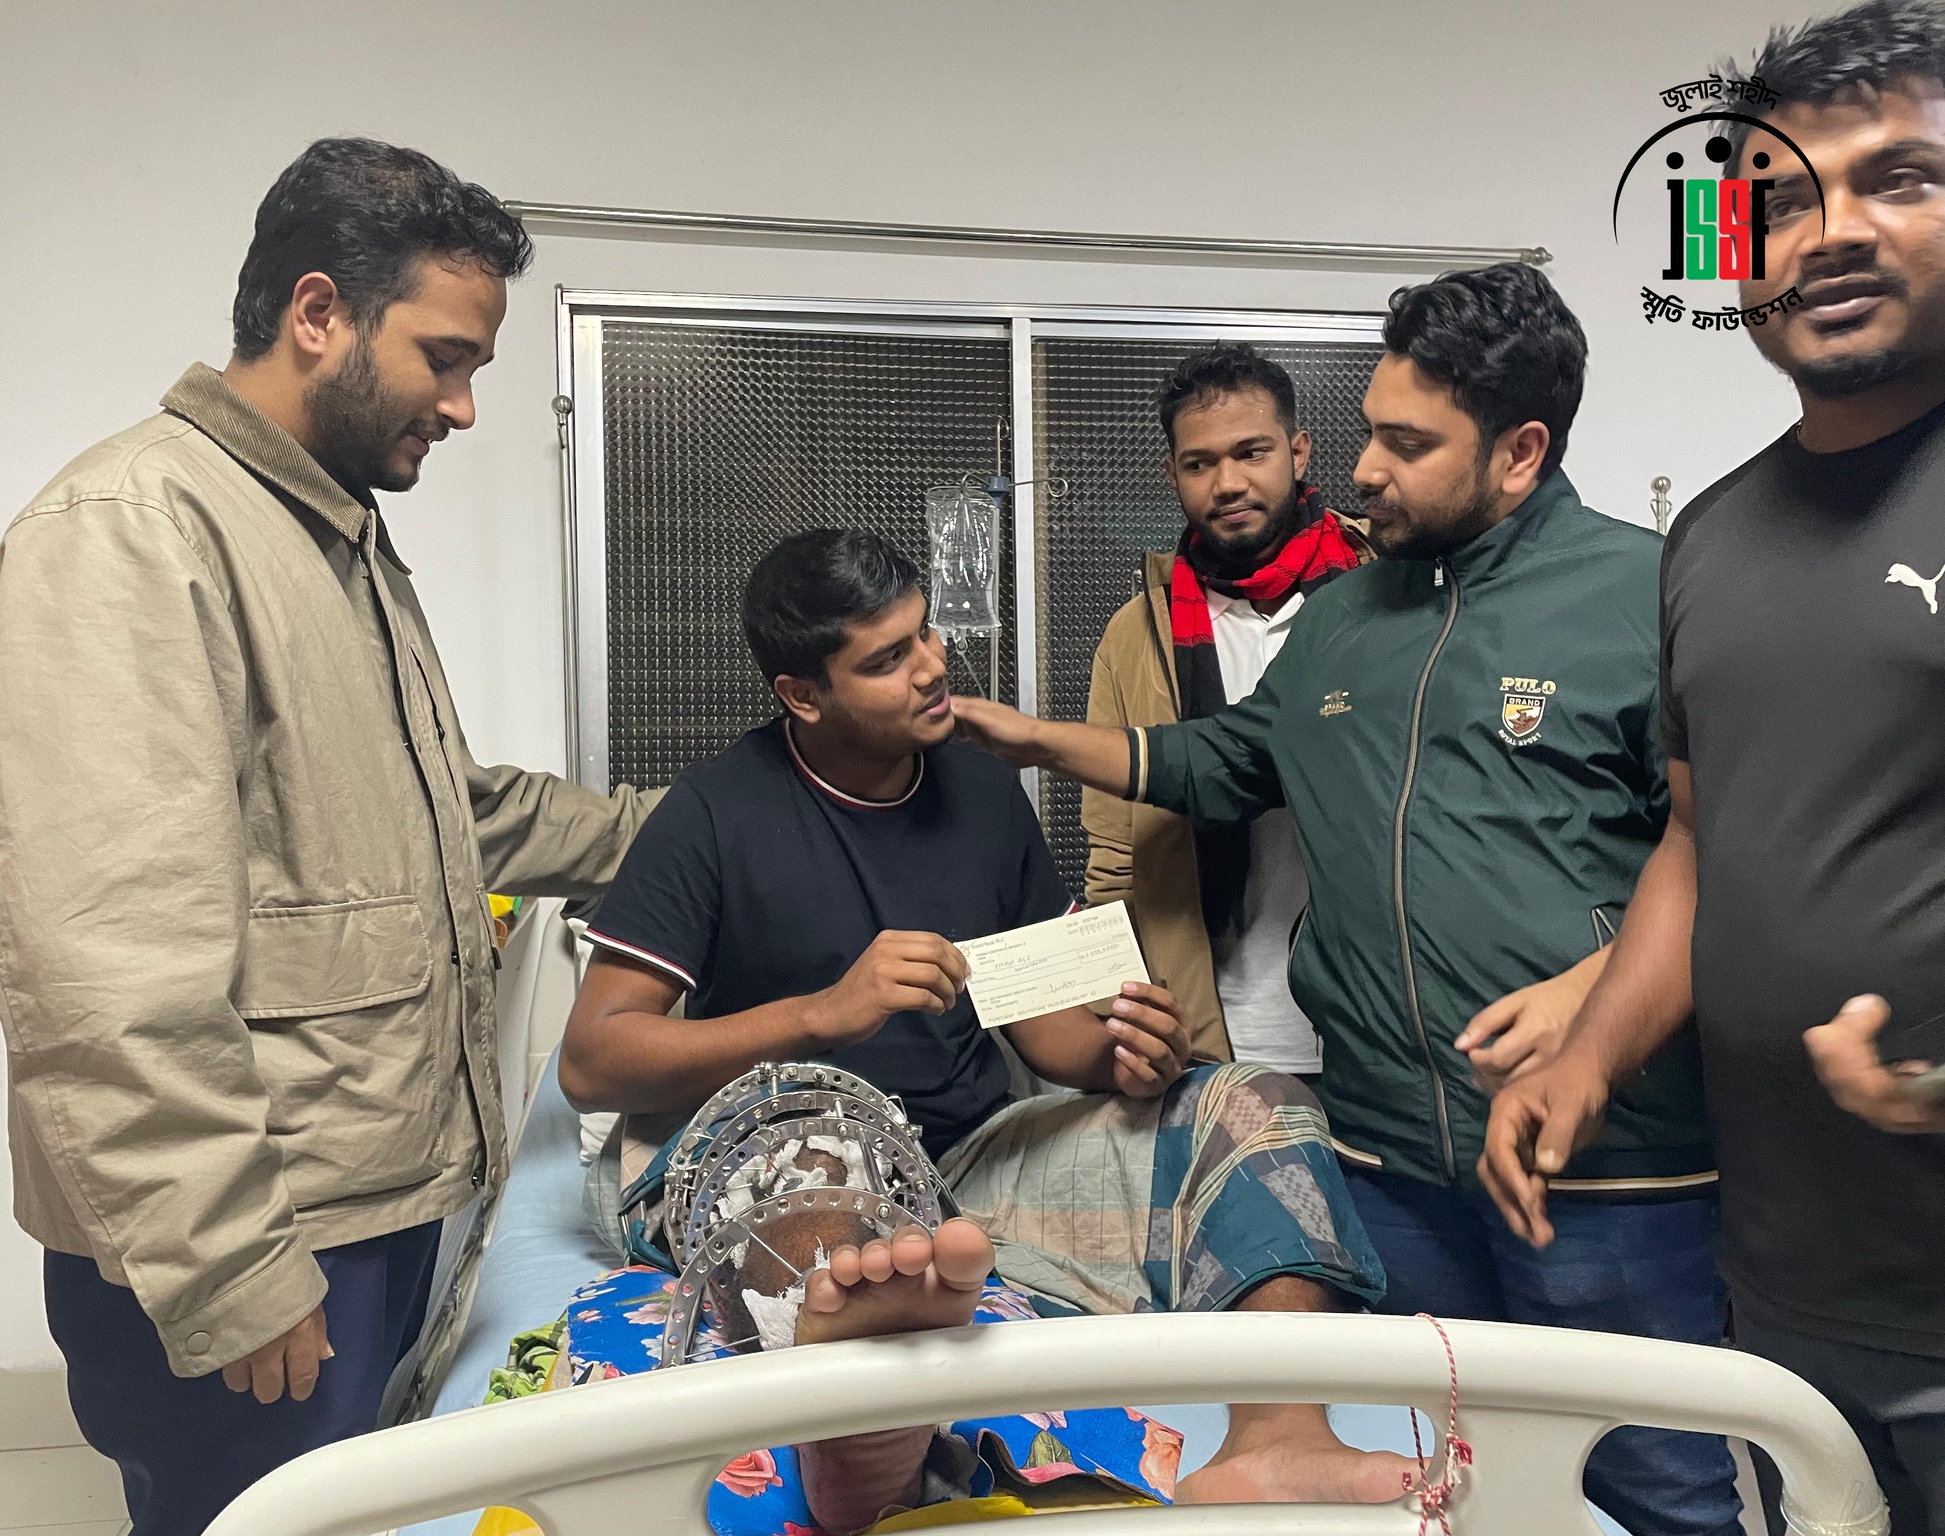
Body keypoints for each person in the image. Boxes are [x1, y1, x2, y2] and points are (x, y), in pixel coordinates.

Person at [953, 264, 1745, 1536]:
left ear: (1518, 452)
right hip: (1384, 1165)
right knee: (1443, 1484)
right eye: (1370, 430)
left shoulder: (1646, 596)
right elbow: (1226, 760)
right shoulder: (1344, 617)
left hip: (1602, 1169)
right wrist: (1035, 740)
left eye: (1406, 443)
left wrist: (1592, 994)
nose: (1365, 470)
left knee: (1653, 1490)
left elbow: (1732, 862)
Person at [0, 139, 656, 1536]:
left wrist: (702, 830)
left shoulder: (329, 537)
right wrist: (231, 1264)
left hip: (361, 1202)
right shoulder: (135, 532)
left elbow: (450, 812)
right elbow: (101, 960)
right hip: (262, 1235)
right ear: (319, 311)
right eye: (444, 359)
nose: (462, 408)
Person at [559, 527, 1416, 1534]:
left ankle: (1277, 1438)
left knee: (1252, 1101)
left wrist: (1125, 1057)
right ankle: (859, 1438)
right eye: (886, 659)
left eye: (925, 634)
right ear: (802, 695)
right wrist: (820, 1016)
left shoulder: (981, 793)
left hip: (966, 1161)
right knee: (818, 1161)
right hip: (785, 1143)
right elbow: (592, 1061)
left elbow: (1046, 1029)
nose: (931, 668)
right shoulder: (710, 814)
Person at [1479, 5, 1945, 1529]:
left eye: (1900, 177)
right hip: (1788, 1279)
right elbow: (1698, 839)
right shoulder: (1713, 536)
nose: (1831, 232)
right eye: (1783, 199)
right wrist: (1589, 1056)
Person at [1082, 342, 1373, 1072]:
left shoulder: (1386, 597)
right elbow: (1116, 861)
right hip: (1214, 1030)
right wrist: (1129, 1025)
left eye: (1252, 452)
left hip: (1379, 1027)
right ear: (1172, 474)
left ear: (1298, 451)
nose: (1228, 483)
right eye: (1199, 463)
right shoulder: (1136, 637)